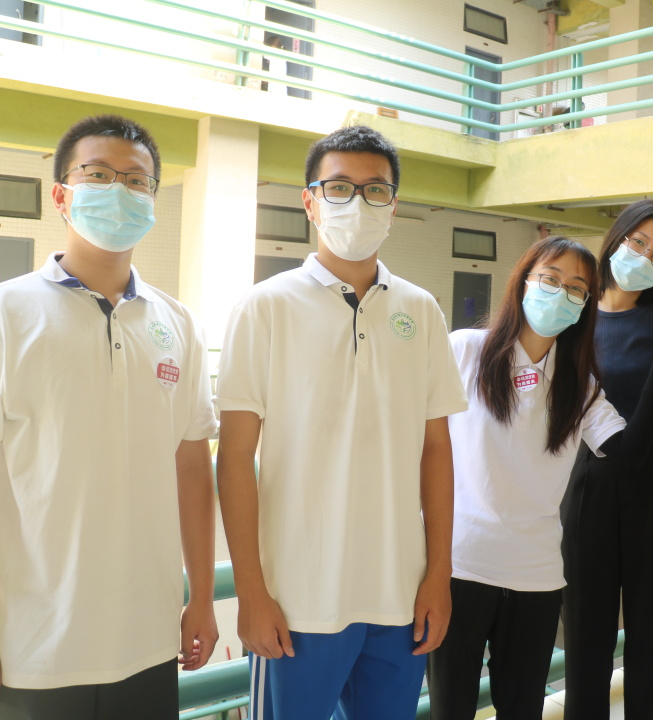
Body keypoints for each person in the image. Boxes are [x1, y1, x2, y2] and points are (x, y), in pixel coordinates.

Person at [0, 115, 219, 719]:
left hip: (150, 640)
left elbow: (193, 466)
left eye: (136, 180)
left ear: (152, 200)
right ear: (62, 196)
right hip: (33, 648)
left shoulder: (178, 324)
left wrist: (202, 596)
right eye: (98, 175)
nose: (120, 190)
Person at [216, 125, 468, 720]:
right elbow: (235, 457)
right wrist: (250, 591)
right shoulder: (264, 307)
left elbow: (436, 450)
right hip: (297, 601)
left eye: (375, 189)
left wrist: (438, 575)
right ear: (310, 202)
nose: (357, 201)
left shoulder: (420, 310)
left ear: (393, 205)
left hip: (399, 597)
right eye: (338, 187)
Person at [427, 235, 653, 719]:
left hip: (537, 577)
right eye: (550, 279)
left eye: (576, 289)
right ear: (523, 282)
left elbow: (628, 452)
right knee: (450, 708)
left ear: (586, 305)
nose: (561, 293)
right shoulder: (464, 350)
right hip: (461, 568)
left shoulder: (579, 385)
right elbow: (415, 441)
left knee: (522, 709)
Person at [560, 199, 653, 720]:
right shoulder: (577, 312)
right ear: (617, 239)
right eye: (638, 242)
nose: (645, 256)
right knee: (585, 637)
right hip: (588, 478)